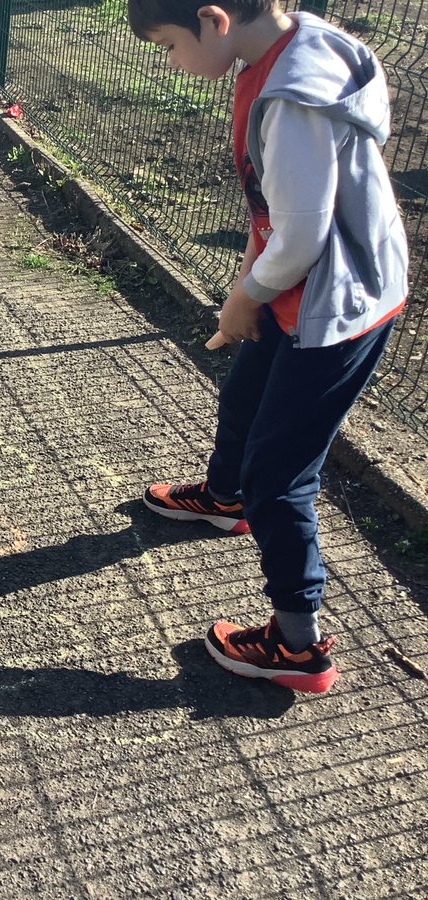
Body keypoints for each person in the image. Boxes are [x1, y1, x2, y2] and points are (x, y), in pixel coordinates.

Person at [127, 1, 408, 692]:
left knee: (281, 479)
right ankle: (225, 499)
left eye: (168, 45)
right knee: (244, 397)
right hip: (297, 287)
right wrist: (250, 283)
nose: (171, 63)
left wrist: (245, 296)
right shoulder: (291, 44)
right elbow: (279, 210)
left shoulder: (291, 99)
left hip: (334, 307)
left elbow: (304, 236)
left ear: (213, 19)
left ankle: (298, 647)